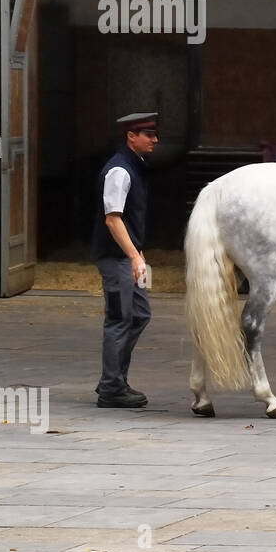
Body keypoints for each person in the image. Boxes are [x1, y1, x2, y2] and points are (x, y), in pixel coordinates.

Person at [91, 112, 158, 408]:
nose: (154, 139)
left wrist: (138, 253)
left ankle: (116, 378)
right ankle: (111, 388)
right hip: (117, 258)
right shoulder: (120, 171)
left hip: (129, 256)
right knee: (119, 318)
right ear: (131, 137)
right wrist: (133, 256)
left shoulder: (135, 166)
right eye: (148, 134)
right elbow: (112, 219)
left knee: (140, 314)